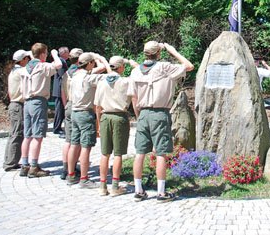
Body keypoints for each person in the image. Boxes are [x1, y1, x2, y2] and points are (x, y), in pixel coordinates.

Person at [128, 41, 193, 203]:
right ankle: (161, 193)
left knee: (140, 153)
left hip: (143, 114)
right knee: (161, 153)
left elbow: (133, 97)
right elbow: (188, 66)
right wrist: (172, 50)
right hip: (160, 113)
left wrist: (139, 116)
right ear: (158, 53)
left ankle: (138, 191)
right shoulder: (164, 67)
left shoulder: (135, 71)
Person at [94, 55, 138, 197]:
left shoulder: (101, 81)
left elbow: (97, 106)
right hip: (120, 117)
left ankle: (102, 186)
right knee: (118, 153)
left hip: (105, 117)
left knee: (105, 153)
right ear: (120, 67)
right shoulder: (125, 82)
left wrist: (98, 123)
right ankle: (114, 185)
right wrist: (132, 63)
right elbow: (138, 72)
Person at [67, 52, 111, 189]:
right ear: (90, 63)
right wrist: (102, 59)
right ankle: (84, 179)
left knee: (74, 144)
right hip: (86, 114)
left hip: (74, 112)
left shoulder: (74, 76)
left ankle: (71, 174)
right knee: (86, 146)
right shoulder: (89, 78)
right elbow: (111, 76)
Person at [19, 43, 62, 178]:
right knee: (37, 136)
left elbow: (34, 57)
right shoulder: (42, 66)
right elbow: (58, 65)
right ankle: (34, 167)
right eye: (46, 53)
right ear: (43, 54)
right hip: (38, 102)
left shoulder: (26, 67)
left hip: (26, 102)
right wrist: (55, 54)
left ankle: (24, 164)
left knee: (27, 135)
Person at [2, 49, 30, 171]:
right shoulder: (21, 71)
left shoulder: (13, 71)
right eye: (27, 58)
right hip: (18, 105)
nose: (29, 60)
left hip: (13, 104)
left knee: (14, 133)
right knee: (17, 134)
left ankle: (10, 160)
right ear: (23, 60)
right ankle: (10, 163)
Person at [59, 48, 83, 181]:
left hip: (67, 104)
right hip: (77, 106)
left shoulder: (66, 74)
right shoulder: (80, 73)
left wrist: (66, 106)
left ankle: (65, 168)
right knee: (77, 141)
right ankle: (72, 168)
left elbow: (63, 93)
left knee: (68, 139)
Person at [52, 47, 70, 136]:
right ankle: (57, 128)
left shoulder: (61, 61)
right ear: (64, 53)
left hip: (59, 89)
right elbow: (62, 75)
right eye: (68, 52)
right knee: (59, 110)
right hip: (59, 89)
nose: (69, 54)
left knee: (60, 109)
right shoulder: (61, 62)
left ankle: (58, 127)